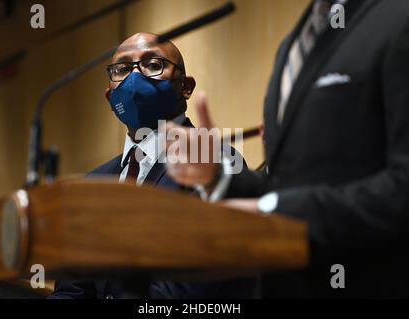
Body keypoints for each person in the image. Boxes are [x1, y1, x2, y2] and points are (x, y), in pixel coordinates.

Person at [165, 0, 409, 298]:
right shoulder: (293, 45)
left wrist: (275, 211)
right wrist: (220, 178)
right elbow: (292, 185)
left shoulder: (402, 17)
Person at [50, 32, 258, 299]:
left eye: (153, 64)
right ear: (109, 97)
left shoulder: (215, 168)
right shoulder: (93, 182)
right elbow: (71, 290)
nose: (135, 78)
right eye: (122, 69)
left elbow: (190, 291)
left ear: (185, 86)